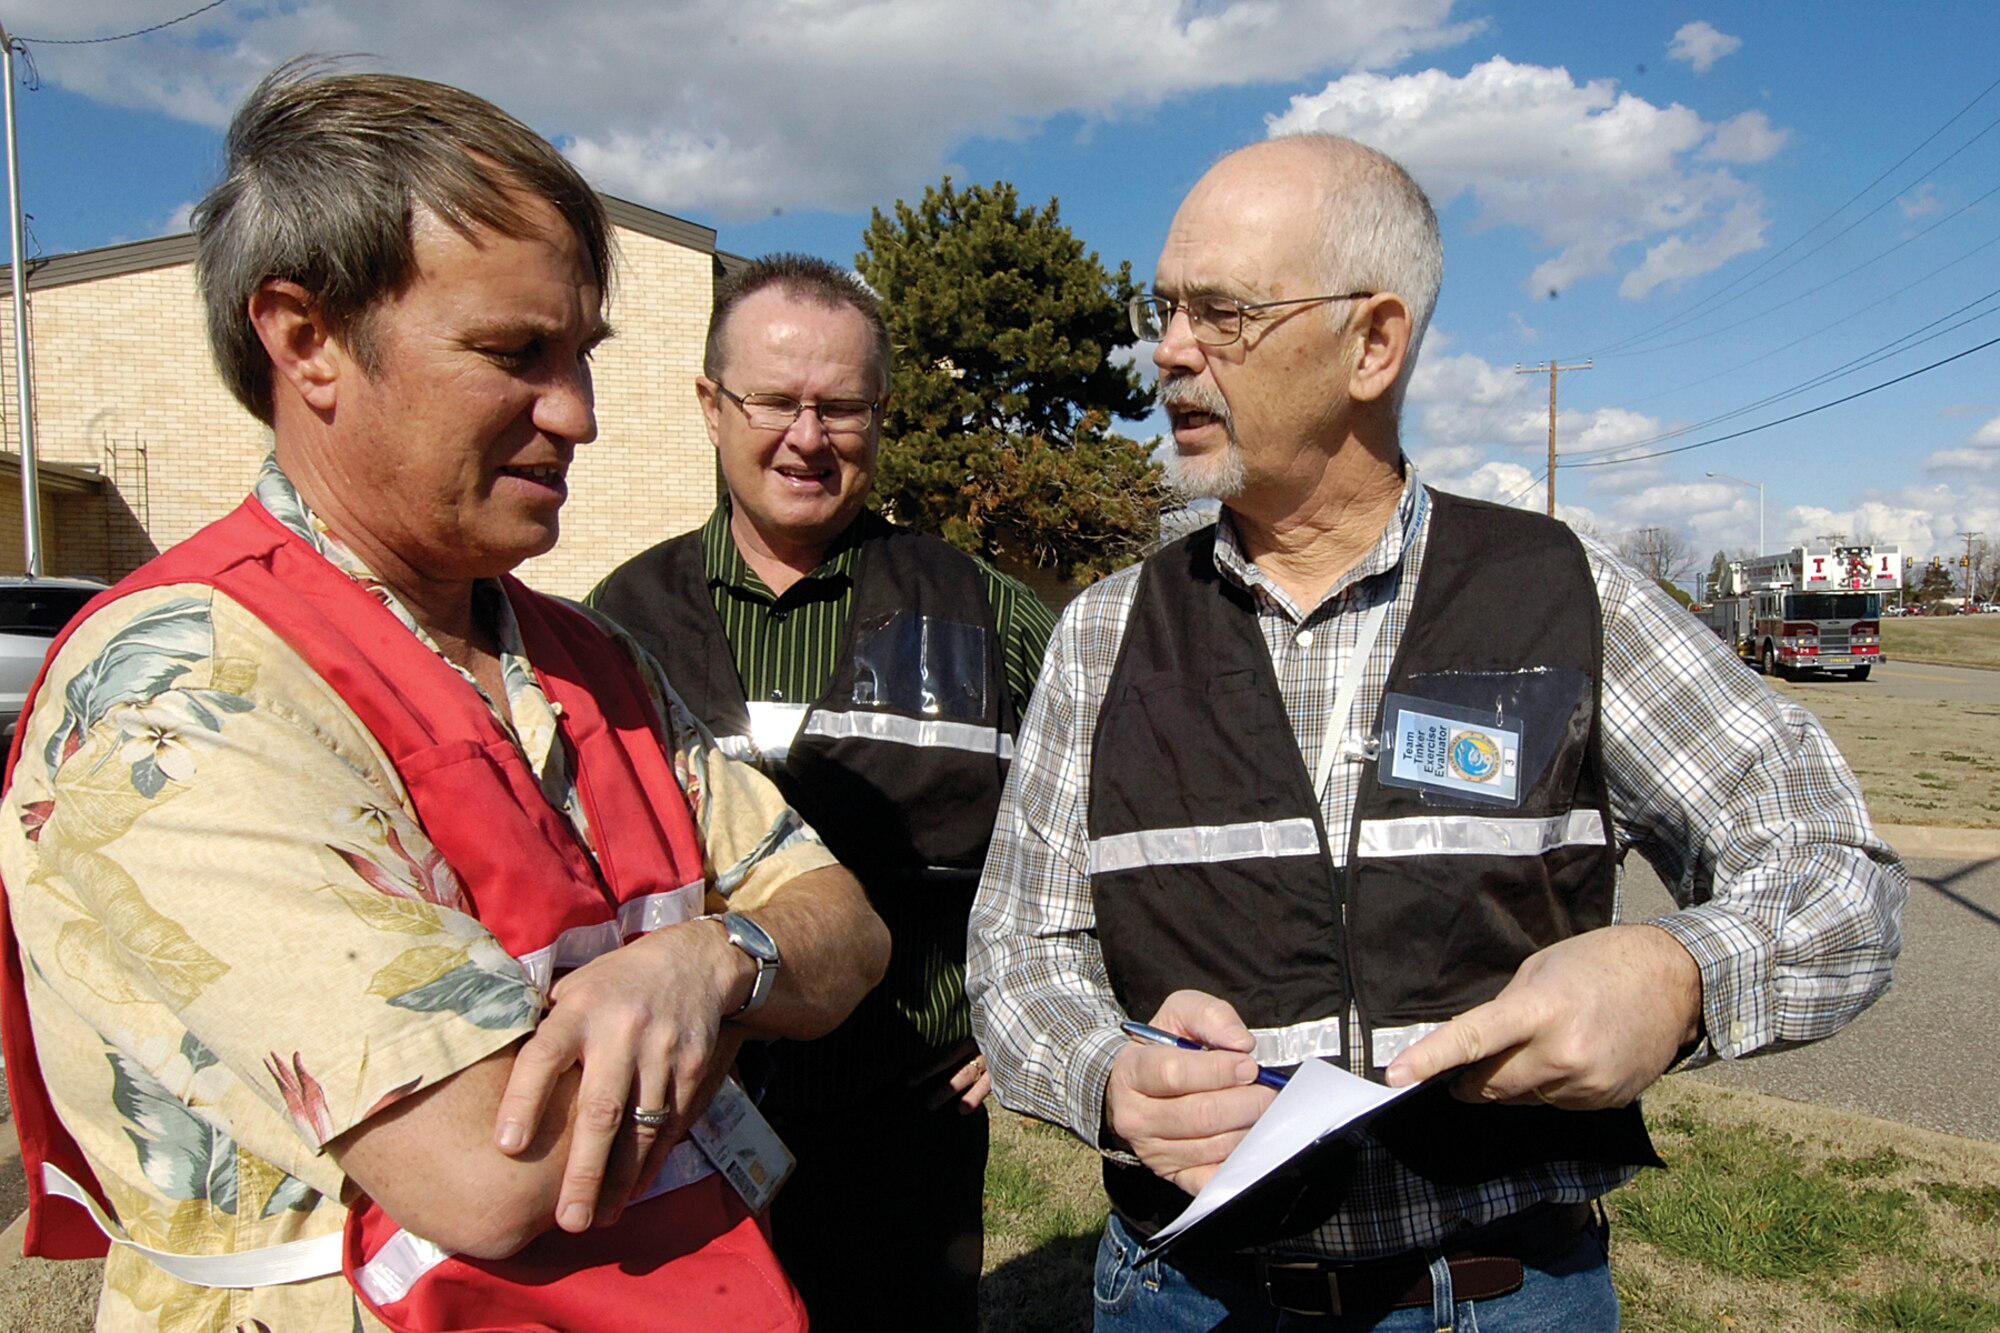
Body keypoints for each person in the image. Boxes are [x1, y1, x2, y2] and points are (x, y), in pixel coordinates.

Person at [966, 133, 1907, 1332]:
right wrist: (1107, 1073)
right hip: (1184, 1297)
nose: (1169, 351)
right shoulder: (1102, 635)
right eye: (1163, 310)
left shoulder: (1563, 594)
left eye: (1222, 312)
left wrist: (1679, 976)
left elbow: (1834, 866)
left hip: (1504, 1296)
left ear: (1372, 342)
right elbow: (1016, 955)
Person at [0, 65, 890, 1333]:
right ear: (304, 340)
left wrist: (708, 962)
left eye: (579, 356)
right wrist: (755, 982)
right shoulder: (179, 684)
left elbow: (846, 930)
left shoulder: (591, 659)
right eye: (514, 353)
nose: (576, 414)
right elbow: (491, 1167)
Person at [592, 253, 1056, 1330]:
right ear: (711, 405)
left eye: (841, 406)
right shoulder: (616, 621)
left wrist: (1031, 1010)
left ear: (880, 416)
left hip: (905, 1133)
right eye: (773, 400)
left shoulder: (985, 612)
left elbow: (1104, 814)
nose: (807, 436)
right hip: (684, 1131)